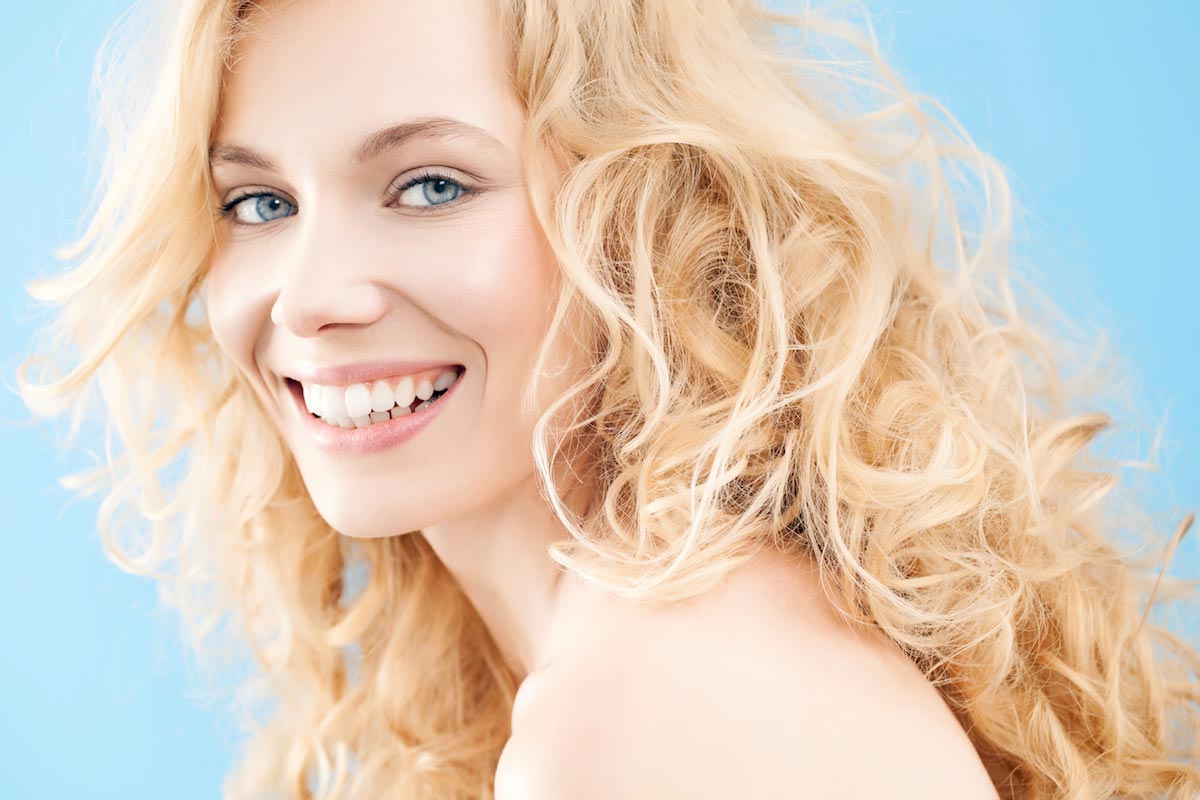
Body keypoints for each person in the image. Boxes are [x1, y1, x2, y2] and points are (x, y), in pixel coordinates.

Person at [17, 0, 1200, 797]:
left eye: (431, 185)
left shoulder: (647, 710)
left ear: (648, 211)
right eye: (258, 203)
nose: (312, 295)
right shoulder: (676, 643)